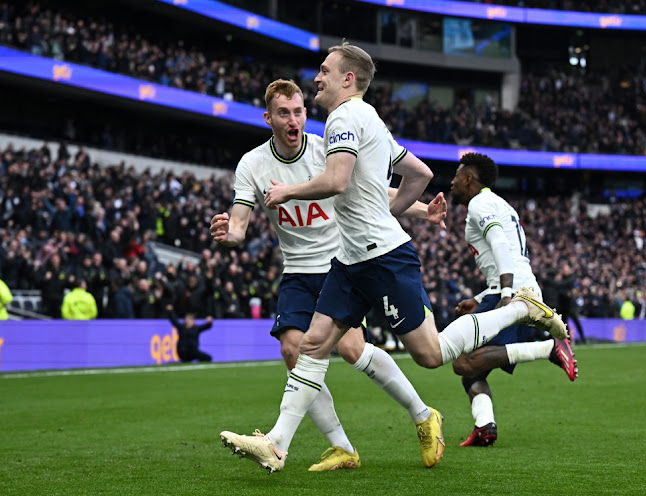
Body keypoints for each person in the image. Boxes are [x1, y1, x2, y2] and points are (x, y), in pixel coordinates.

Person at [219, 42, 567, 474]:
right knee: (310, 345)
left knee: (430, 353)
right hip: (348, 259)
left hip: (382, 257)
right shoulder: (368, 119)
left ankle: (516, 310)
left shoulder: (344, 118)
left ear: (348, 78)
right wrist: (399, 210)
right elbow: (418, 174)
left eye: (325, 70)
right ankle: (277, 443)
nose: (317, 78)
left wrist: (290, 191)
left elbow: (338, 178)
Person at [211, 79, 449, 471]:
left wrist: (424, 210)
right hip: (297, 270)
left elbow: (374, 191)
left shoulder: (327, 149)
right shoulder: (252, 164)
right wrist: (229, 234)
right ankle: (342, 447)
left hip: (340, 263)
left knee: (352, 351)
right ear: (268, 117)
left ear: (306, 113)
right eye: (284, 113)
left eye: (299, 111)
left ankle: (423, 414)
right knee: (293, 350)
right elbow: (238, 225)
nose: (294, 119)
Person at [448, 152, 578, 447]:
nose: (452, 182)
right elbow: (507, 255)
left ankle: (547, 348)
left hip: (513, 293)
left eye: (456, 176)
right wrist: (482, 297)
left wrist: (505, 294)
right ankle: (485, 427)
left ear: (468, 178)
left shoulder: (480, 203)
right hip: (515, 288)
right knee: (472, 372)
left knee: (463, 363)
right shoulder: (499, 203)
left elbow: (500, 244)